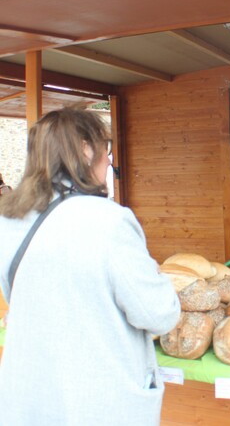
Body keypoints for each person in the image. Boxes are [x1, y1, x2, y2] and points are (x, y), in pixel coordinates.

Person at [0, 107, 181, 426]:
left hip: (28, 399)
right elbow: (158, 315)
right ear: (85, 150)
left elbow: (21, 296)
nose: (109, 160)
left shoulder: (8, 221)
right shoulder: (108, 221)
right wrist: (157, 276)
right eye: (104, 148)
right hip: (97, 403)